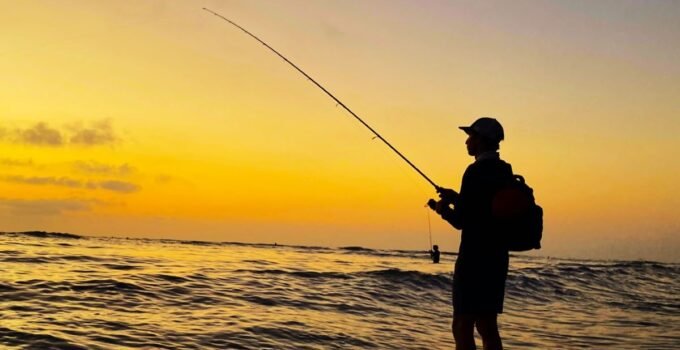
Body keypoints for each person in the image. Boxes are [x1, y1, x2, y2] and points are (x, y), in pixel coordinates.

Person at [427, 117, 513, 350]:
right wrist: (456, 197)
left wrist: (443, 210)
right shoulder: (504, 170)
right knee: (487, 326)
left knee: (462, 325)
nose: (467, 141)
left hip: (474, 258)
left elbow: (463, 220)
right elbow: (483, 209)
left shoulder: (475, 172)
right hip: (496, 258)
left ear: (482, 140)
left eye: (471, 136)